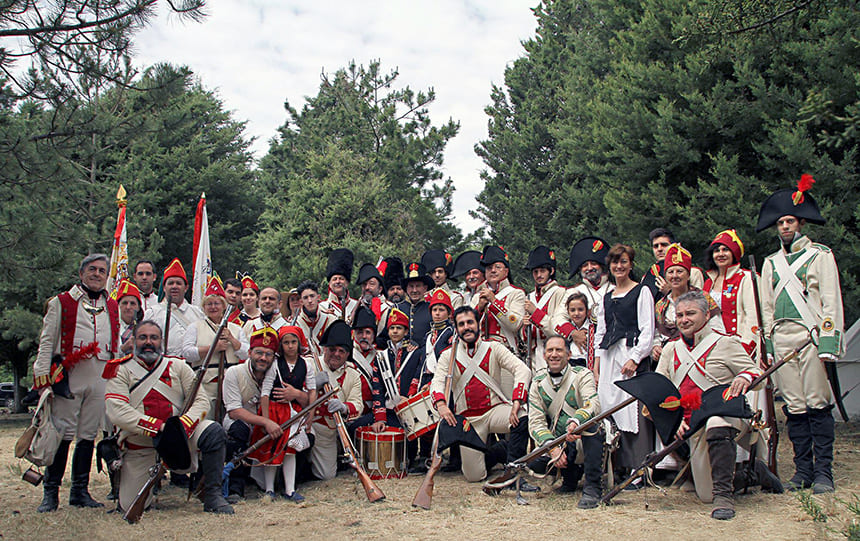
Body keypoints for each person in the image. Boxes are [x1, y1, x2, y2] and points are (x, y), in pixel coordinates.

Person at [656, 290, 782, 520]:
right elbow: (660, 394)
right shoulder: (670, 349)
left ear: (705, 316)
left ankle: (724, 497)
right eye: (680, 314)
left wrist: (745, 377)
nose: (684, 320)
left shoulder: (726, 343)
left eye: (690, 313)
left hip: (727, 416)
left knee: (716, 421)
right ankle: (751, 473)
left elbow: (756, 373)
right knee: (704, 495)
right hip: (691, 424)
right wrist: (673, 423)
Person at [757, 175, 844, 493]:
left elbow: (832, 301)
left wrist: (829, 342)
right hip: (782, 341)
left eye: (790, 221)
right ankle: (803, 470)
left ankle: (824, 472)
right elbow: (766, 309)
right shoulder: (770, 263)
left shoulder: (820, 256)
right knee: (793, 407)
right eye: (780, 223)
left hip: (812, 338)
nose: (784, 227)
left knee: (817, 404)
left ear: (800, 223)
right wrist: (766, 346)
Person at [103, 320, 234, 514]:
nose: (149, 342)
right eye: (143, 337)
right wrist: (160, 428)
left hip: (181, 438)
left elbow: (201, 401)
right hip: (142, 443)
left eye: (154, 338)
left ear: (161, 341)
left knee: (213, 431)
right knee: (131, 505)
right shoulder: (120, 370)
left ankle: (213, 495)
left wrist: (182, 426)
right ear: (133, 341)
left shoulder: (178, 366)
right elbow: (118, 411)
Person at [33, 253, 120, 512]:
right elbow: (47, 341)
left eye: (102, 271)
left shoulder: (112, 305)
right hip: (69, 375)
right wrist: (43, 378)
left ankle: (80, 491)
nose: (96, 274)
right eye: (91, 270)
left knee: (87, 435)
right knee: (62, 433)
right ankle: (51, 492)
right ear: (81, 274)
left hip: (100, 375)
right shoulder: (61, 302)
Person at [430, 306, 532, 485]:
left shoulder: (494, 348)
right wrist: (441, 405)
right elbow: (437, 382)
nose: (466, 327)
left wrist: (517, 401)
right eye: (461, 324)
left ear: (478, 324)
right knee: (474, 477)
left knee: (522, 417)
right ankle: (499, 451)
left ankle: (513, 469)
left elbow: (522, 369)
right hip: (469, 420)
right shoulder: (448, 355)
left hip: (494, 410)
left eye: (470, 322)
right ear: (456, 328)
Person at [594, 244, 655, 486]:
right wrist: (597, 365)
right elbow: (601, 332)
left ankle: (638, 470)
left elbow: (648, 329)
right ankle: (615, 466)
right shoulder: (606, 297)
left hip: (630, 356)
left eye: (624, 262)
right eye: (615, 262)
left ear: (631, 264)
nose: (619, 267)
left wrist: (635, 357)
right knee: (609, 407)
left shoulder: (642, 292)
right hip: (610, 359)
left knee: (632, 411)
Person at [528, 335, 602, 509]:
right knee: (534, 464)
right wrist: (552, 448)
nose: (554, 354)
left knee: (592, 428)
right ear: (544, 355)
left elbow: (593, 404)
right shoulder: (538, 383)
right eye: (550, 350)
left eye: (559, 350)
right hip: (559, 440)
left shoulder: (582, 375)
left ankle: (592, 487)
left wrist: (577, 421)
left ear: (568, 355)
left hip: (582, 437)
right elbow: (535, 423)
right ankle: (571, 476)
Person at [221, 326, 283, 503]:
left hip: (268, 426)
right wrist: (265, 422)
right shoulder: (235, 372)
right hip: (243, 422)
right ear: (249, 352)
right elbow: (234, 411)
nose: (263, 358)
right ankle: (235, 488)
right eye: (259, 352)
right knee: (240, 431)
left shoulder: (277, 374)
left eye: (268, 354)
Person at [255, 326, 317, 502]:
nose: (290, 346)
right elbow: (265, 393)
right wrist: (266, 420)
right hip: (274, 412)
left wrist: (310, 416)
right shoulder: (275, 364)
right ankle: (269, 489)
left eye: (293, 342)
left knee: (290, 450)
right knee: (271, 449)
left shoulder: (306, 364)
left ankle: (289, 489)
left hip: (294, 414)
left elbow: (312, 391)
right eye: (286, 342)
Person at [182, 278, 249, 419]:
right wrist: (212, 348)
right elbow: (187, 353)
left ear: (223, 306)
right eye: (209, 304)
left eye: (217, 303)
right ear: (204, 307)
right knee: (206, 421)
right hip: (206, 385)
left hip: (232, 385)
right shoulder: (195, 327)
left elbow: (246, 353)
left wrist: (231, 339)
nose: (213, 307)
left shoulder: (235, 329)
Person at [309, 320, 364, 480]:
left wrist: (343, 407)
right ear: (325, 348)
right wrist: (312, 386)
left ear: (348, 354)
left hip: (327, 431)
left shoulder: (353, 375)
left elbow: (357, 405)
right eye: (332, 349)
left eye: (342, 351)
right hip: (306, 424)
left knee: (326, 475)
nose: (337, 354)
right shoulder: (310, 364)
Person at [652, 244, 723, 363]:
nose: (674, 276)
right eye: (670, 272)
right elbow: (657, 335)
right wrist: (655, 348)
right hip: (670, 360)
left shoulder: (702, 297)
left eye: (679, 271)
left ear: (688, 275)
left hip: (701, 357)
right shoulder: (661, 305)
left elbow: (717, 328)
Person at [703, 229, 758, 356]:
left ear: (734, 253)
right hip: (711, 347)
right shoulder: (708, 283)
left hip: (737, 345)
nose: (720, 254)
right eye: (717, 251)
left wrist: (747, 345)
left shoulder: (746, 278)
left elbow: (753, 315)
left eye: (725, 250)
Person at [552, 236, 613, 337]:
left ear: (602, 265)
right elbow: (558, 319)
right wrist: (573, 333)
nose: (589, 268)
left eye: (593, 263)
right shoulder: (574, 291)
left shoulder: (615, 289)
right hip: (581, 349)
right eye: (585, 265)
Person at [470, 245, 525, 354]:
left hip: (507, 351)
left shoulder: (516, 293)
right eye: (489, 268)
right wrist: (479, 308)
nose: (493, 271)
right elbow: (467, 325)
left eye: (498, 267)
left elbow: (515, 324)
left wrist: (494, 302)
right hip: (481, 354)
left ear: (506, 271)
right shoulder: (477, 297)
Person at [143, 258, 204, 356]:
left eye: (179, 283)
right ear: (164, 287)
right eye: (171, 283)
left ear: (186, 288)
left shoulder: (198, 313)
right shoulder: (152, 313)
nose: (174, 286)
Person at [523, 246, 566, 373]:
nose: (539, 275)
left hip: (554, 351)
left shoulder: (560, 292)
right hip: (534, 354)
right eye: (535, 272)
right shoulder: (530, 296)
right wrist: (525, 327)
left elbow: (558, 328)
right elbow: (523, 337)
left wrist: (535, 313)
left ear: (551, 271)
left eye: (542, 271)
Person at [641, 228, 704, 302]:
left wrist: (670, 291)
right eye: (656, 246)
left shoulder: (693, 272)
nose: (659, 249)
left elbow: (699, 302)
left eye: (664, 245)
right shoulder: (647, 276)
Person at [395, 262, 434, 346]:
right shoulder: (397, 309)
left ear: (425, 288)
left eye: (418, 286)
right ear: (406, 288)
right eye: (411, 286)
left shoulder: (431, 309)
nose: (414, 290)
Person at [295, 279, 336, 357]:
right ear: (301, 301)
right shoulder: (296, 324)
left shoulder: (331, 320)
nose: (310, 300)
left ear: (318, 297)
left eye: (312, 296)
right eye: (305, 298)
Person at [350, 306, 380, 415]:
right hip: (353, 410)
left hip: (375, 410)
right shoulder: (347, 355)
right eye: (359, 332)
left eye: (368, 332)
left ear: (374, 335)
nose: (364, 336)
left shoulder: (381, 356)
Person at [319, 248, 358, 322]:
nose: (338, 281)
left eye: (341, 278)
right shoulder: (321, 307)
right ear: (330, 284)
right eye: (334, 279)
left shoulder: (356, 306)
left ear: (347, 282)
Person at [563, 292, 598, 373]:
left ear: (586, 310)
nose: (576, 313)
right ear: (568, 311)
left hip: (588, 369)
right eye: (572, 310)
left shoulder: (593, 329)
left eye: (580, 309)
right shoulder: (565, 331)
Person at [116, 279, 142, 355]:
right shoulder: (109, 327)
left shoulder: (143, 328)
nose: (128, 307)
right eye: (124, 303)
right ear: (118, 305)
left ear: (138, 307)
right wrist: (122, 349)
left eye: (132, 303)